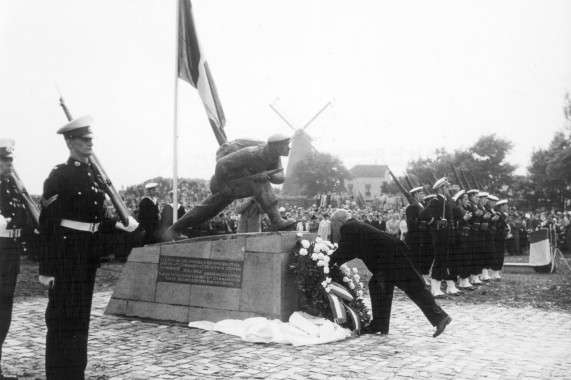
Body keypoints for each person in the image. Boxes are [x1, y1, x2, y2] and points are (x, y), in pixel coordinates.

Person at [38, 116, 139, 379]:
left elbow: (94, 221)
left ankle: (75, 373)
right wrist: (47, 269)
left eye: (91, 139)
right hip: (65, 257)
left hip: (87, 257)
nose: (89, 143)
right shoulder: (60, 175)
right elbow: (48, 224)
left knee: (80, 320)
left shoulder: (93, 176)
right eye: (84, 139)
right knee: (61, 321)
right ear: (70, 142)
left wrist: (118, 226)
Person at [329, 209, 451, 337]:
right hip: (392, 257)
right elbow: (351, 251)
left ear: (340, 221)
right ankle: (380, 325)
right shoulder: (354, 226)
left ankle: (440, 317)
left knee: (413, 288)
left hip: (392, 260)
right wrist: (333, 261)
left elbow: (344, 251)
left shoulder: (348, 227)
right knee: (379, 286)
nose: (335, 228)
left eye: (335, 225)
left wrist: (327, 262)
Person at [166, 134, 296, 239]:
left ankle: (174, 229)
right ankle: (276, 220)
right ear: (274, 146)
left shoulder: (274, 157)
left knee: (209, 208)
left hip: (245, 182)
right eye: (285, 145)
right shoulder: (251, 153)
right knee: (208, 209)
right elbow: (221, 165)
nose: (289, 148)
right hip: (223, 182)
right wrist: (224, 186)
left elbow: (280, 178)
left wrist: (267, 175)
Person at [0, 139, 26, 380]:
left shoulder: (14, 187)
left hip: (11, 253)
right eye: (5, 160)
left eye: (10, 160)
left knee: (5, 306)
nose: (9, 164)